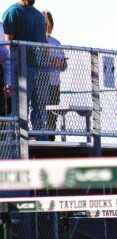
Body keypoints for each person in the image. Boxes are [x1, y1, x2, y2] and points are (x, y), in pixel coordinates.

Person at [3, 0, 48, 140]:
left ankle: (40, 138)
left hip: (39, 66)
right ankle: (15, 138)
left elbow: (43, 42)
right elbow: (9, 42)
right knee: (20, 104)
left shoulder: (39, 16)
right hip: (22, 65)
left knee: (39, 105)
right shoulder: (13, 12)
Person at [42, 10, 67, 141]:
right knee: (41, 110)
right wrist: (51, 61)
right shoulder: (37, 40)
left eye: (47, 20)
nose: (46, 23)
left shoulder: (56, 42)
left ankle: (51, 137)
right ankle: (39, 135)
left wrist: (61, 63)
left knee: (53, 113)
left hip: (54, 83)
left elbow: (64, 65)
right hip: (41, 83)